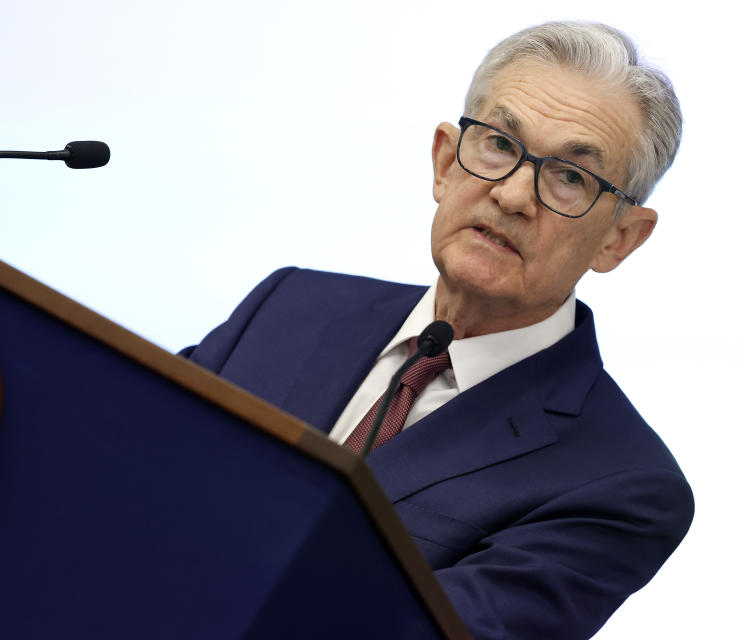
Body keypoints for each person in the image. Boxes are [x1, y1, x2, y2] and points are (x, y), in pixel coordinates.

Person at [182, 21, 693, 640]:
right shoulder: (290, 305)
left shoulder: (622, 485)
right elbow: (119, 461)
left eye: (569, 177)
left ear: (619, 238)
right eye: (500, 144)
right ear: (445, 162)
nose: (511, 195)